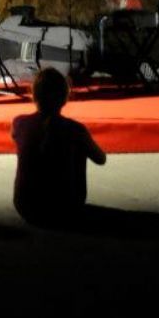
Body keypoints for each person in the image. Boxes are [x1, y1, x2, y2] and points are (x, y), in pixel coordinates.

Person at [12, 68, 106, 228]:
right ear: (65, 98)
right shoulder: (76, 129)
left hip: (25, 206)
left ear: (34, 95)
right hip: (66, 209)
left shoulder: (19, 123)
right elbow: (100, 159)